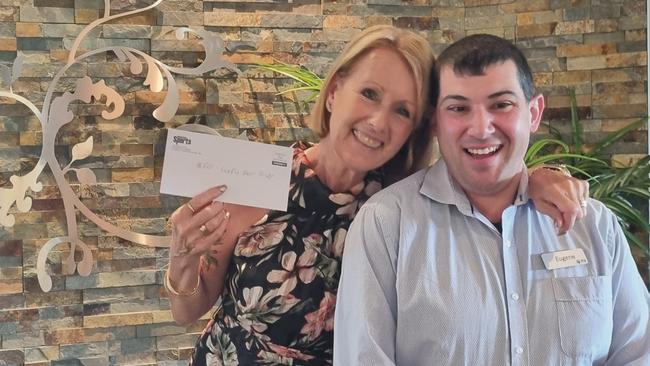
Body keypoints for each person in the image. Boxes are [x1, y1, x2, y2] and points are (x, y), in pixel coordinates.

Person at [166, 27, 588, 365]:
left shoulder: (405, 207)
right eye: (369, 94)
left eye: (402, 110)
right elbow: (187, 312)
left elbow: (491, 183)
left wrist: (539, 178)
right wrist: (183, 259)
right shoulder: (256, 179)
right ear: (334, 92)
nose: (378, 121)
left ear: (417, 128)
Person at [333, 34, 650, 366]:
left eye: (501, 104)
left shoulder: (595, 226)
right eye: (458, 108)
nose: (481, 128)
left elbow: (638, 354)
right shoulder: (387, 225)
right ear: (435, 122)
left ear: (534, 112)